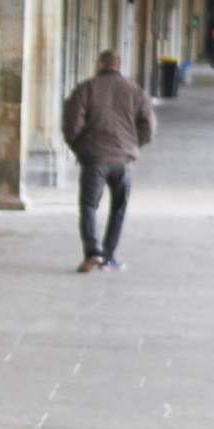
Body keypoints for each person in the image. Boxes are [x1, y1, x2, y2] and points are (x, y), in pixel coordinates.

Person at [62, 49, 155, 273]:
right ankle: (109, 256)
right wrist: (133, 145)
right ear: (118, 66)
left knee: (89, 206)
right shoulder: (135, 90)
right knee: (119, 208)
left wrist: (79, 147)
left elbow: (72, 123)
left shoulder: (86, 88)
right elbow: (149, 126)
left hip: (94, 158)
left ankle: (93, 252)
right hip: (123, 161)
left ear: (100, 64)